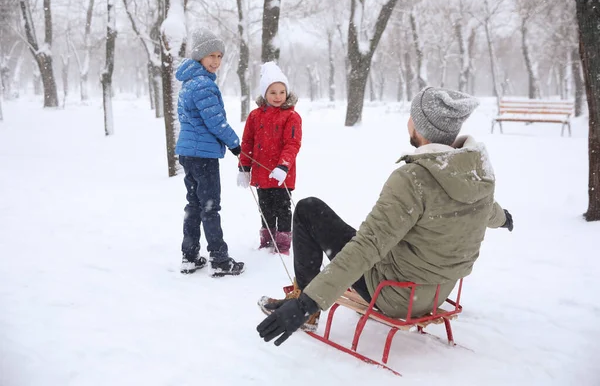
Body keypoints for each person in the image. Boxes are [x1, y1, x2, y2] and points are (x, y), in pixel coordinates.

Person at [256, 87, 514, 345]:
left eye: (412, 116)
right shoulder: (476, 174)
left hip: (395, 295)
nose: (408, 121)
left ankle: (305, 301)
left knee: (308, 209)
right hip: (437, 291)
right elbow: (487, 207)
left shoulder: (414, 180)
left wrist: (306, 304)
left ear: (420, 126)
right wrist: (504, 219)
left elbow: (367, 247)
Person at [175, 27, 245, 277]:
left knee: (194, 205)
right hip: (203, 155)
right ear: (199, 57)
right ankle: (219, 259)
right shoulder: (203, 85)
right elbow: (215, 122)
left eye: (219, 56)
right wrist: (236, 145)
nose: (216, 61)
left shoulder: (188, 83)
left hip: (188, 153)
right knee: (209, 207)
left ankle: (190, 256)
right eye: (211, 56)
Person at [237, 62, 302, 255]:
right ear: (264, 93)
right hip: (261, 175)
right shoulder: (255, 116)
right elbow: (247, 142)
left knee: (283, 209)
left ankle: (282, 245)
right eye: (273, 92)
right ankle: (266, 241)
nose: (277, 96)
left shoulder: (292, 117)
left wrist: (283, 166)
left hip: (282, 175)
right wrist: (244, 168)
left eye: (282, 92)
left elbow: (293, 144)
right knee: (265, 209)